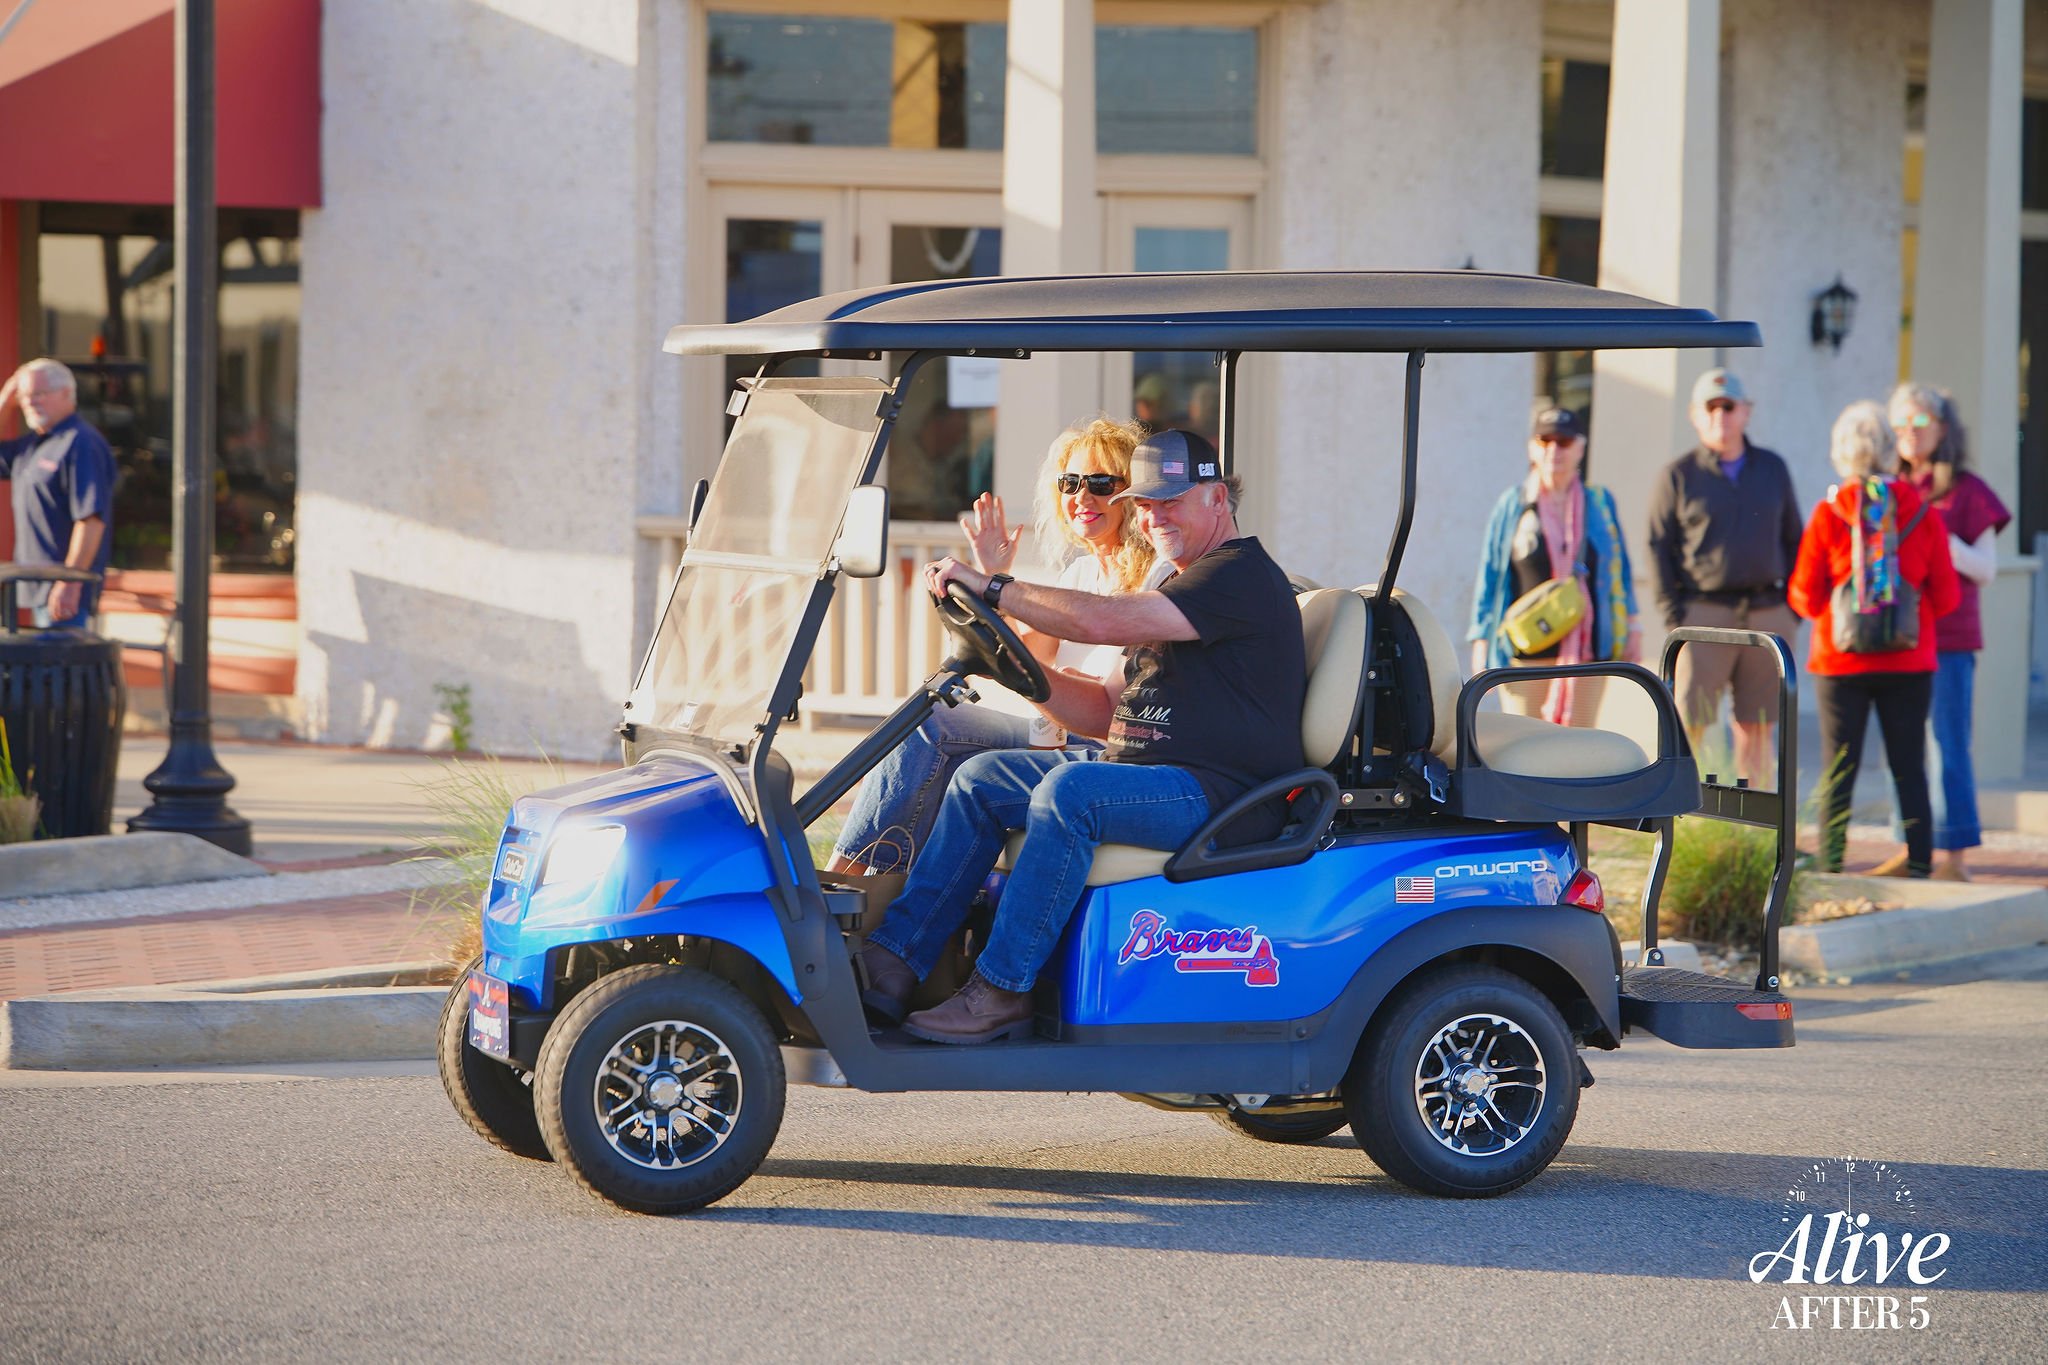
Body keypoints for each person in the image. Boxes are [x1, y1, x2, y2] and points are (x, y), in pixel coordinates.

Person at [856, 430, 1307, 1044]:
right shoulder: (1178, 586)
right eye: (1146, 504)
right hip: (1155, 777)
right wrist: (1006, 663)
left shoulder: (1237, 576)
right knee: (983, 778)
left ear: (1218, 498)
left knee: (1073, 793)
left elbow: (1098, 620)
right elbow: (1098, 710)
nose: (1155, 516)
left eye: (1173, 499)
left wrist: (994, 586)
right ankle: (893, 960)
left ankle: (1001, 990)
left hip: (1222, 796)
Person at [827, 417, 1167, 875]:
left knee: (941, 738)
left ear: (1132, 495)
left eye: (1102, 483)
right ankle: (857, 878)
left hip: (1100, 744)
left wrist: (997, 596)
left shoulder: (1156, 578)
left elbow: (1099, 698)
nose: (1082, 498)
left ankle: (854, 886)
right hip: (1052, 730)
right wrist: (994, 578)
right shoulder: (1081, 574)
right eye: (1071, 483)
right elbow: (1027, 655)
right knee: (928, 717)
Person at [1788, 402, 1959, 877]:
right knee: (1909, 764)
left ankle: (1833, 864)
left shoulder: (1828, 513)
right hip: (1910, 661)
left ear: (1841, 452)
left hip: (1840, 663)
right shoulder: (1922, 513)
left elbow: (1803, 594)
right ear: (1889, 449)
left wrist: (1840, 614)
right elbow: (1945, 597)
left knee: (1838, 767)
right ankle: (1921, 861)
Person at [1865, 384, 2011, 881]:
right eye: (1900, 422)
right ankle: (1912, 847)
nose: (1909, 431)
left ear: (1943, 428)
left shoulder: (1967, 490)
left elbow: (1987, 568)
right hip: (1896, 639)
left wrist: (1938, 540)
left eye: (1920, 421)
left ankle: (1955, 858)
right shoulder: (1884, 487)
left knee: (1948, 743)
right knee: (1901, 745)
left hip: (1948, 640)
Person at [1647, 367, 1804, 786]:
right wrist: (1673, 616)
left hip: (1768, 613)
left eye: (1729, 407)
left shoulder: (1773, 469)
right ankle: (1690, 824)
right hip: (1703, 613)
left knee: (1758, 727)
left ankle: (1755, 831)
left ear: (1746, 412)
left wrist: (1793, 610)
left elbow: (1795, 540)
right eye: (1711, 408)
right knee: (1690, 726)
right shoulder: (1678, 476)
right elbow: (1658, 548)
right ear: (1695, 415)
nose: (1721, 417)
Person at [1467, 404, 1639, 725]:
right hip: (1525, 651)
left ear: (1580, 448)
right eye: (1545, 441)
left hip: (1587, 653)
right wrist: (1481, 643)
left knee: (1579, 745)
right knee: (1523, 747)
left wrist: (1633, 626)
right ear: (1532, 447)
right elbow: (1489, 576)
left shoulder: (1599, 503)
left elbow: (1620, 570)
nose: (1554, 450)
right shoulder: (1513, 504)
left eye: (1564, 441)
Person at [0, 359, 115, 628]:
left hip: (66, 597)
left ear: (66, 393)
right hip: (33, 588)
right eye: (25, 396)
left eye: (39, 394)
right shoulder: (31, 446)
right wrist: (6, 397)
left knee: (62, 668)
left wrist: (69, 582)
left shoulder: (80, 442)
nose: (30, 402)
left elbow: (91, 520)